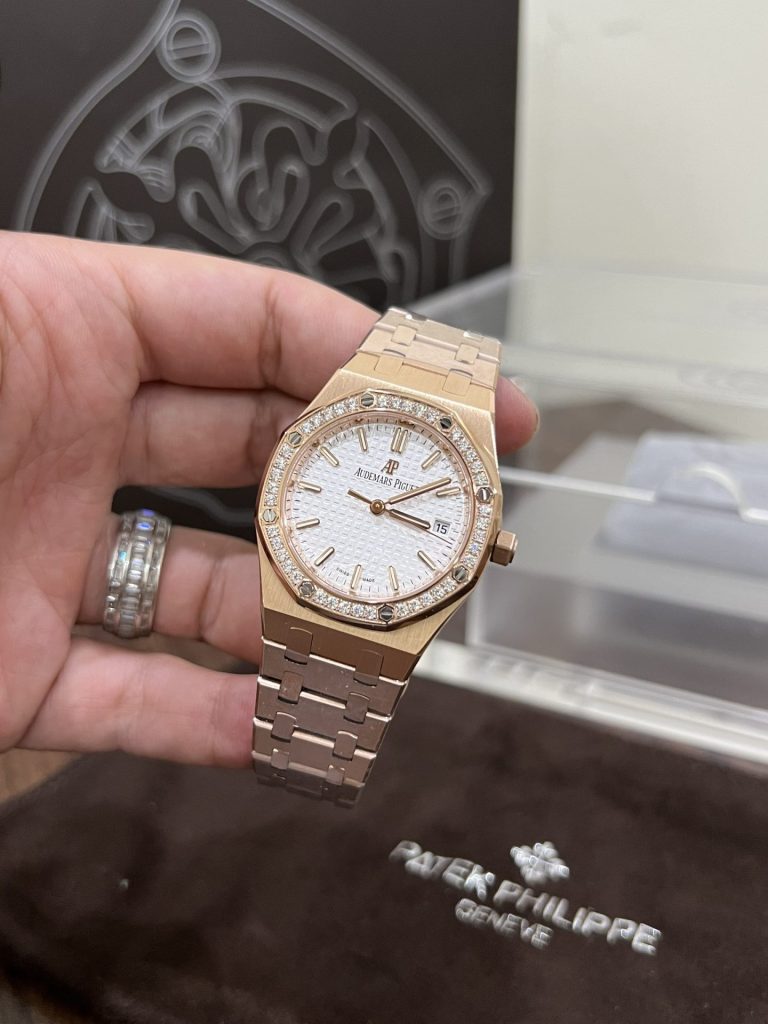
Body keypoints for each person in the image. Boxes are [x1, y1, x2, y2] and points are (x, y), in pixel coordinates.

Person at [0, 232, 538, 768]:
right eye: (376, 501)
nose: (378, 504)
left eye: (385, 504)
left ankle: (326, 761)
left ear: (491, 541)